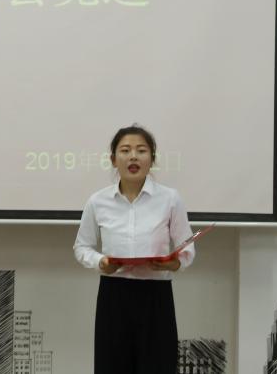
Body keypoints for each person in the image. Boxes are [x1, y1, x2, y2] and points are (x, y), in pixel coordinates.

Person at [73, 124, 195, 374]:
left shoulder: (170, 199)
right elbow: (82, 246)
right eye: (125, 150)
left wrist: (173, 263)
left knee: (158, 366)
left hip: (156, 297)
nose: (133, 157)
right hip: (113, 295)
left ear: (152, 159)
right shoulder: (98, 201)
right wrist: (101, 262)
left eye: (141, 150)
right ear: (113, 159)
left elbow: (187, 248)